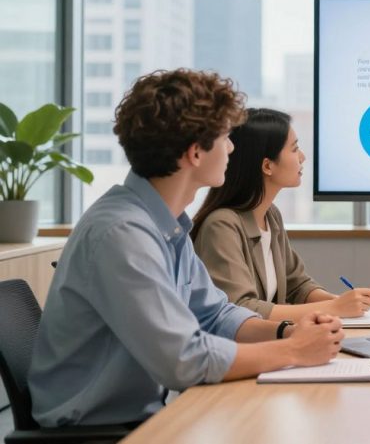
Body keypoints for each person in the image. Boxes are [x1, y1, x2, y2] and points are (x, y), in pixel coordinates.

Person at [29, 70, 344, 428]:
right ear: (195, 153)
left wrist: (287, 331)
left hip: (148, 414)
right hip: (99, 430)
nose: (232, 148)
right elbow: (184, 360)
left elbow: (215, 315)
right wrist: (292, 352)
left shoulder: (166, 225)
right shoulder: (122, 235)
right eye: (225, 137)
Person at [192, 108, 370, 320]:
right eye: (295, 149)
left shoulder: (270, 215)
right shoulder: (221, 225)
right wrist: (334, 309)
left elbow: (298, 284)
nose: (303, 157)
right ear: (267, 166)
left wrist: (337, 302)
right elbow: (241, 309)